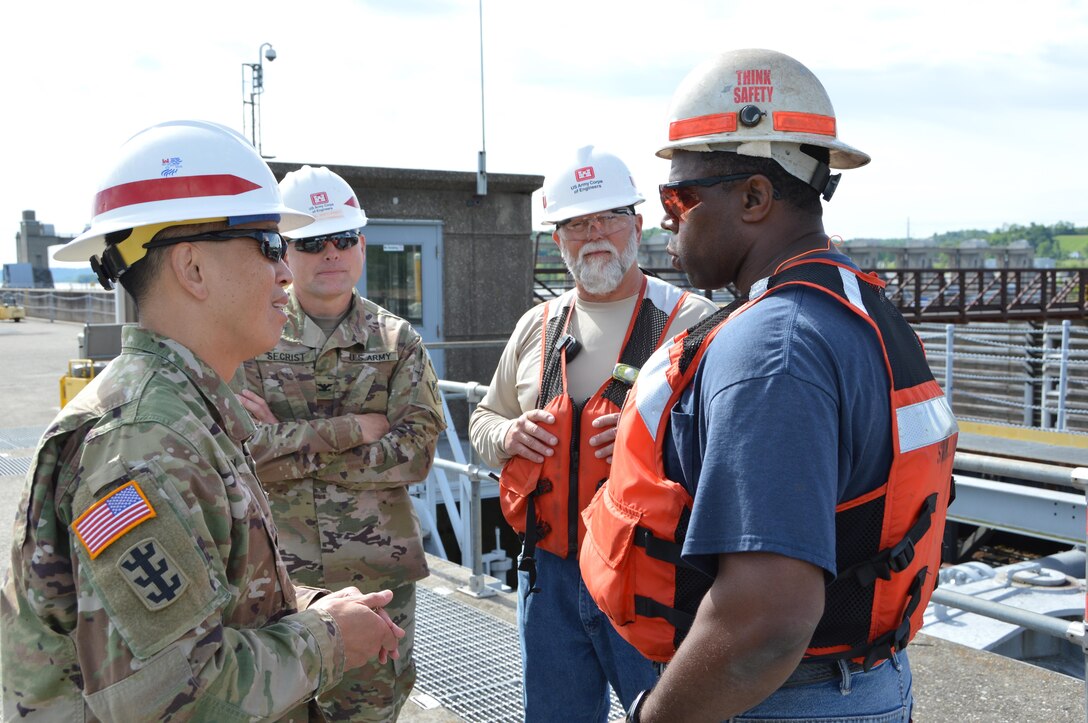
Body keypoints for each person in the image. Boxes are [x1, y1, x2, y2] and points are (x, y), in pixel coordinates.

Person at [578, 49, 959, 722]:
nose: (667, 218)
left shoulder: (773, 346)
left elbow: (766, 621)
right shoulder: (857, 307)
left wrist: (653, 717)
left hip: (782, 699)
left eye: (680, 195)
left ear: (754, 197)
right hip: (856, 683)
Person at [0, 120, 404, 721]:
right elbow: (170, 699)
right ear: (192, 269)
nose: (287, 272)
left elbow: (210, 605)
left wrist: (310, 609)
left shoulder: (180, 409)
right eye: (270, 245)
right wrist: (329, 640)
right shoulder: (142, 442)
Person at [469, 145, 717, 721]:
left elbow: (727, 453)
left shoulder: (693, 322)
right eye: (577, 224)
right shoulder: (538, 325)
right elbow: (483, 419)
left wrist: (654, 451)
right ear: (558, 240)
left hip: (650, 572)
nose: (594, 234)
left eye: (608, 218)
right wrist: (508, 438)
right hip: (549, 575)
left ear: (636, 224)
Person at [233, 165, 445, 722]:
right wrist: (353, 429)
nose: (330, 253)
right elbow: (238, 453)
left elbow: (417, 454)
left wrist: (285, 444)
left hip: (376, 576)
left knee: (368, 713)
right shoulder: (251, 338)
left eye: (343, 238)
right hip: (278, 578)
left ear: (362, 245)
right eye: (310, 242)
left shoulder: (397, 342)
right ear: (282, 250)